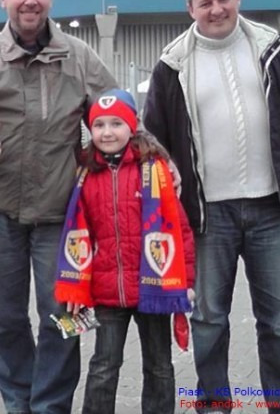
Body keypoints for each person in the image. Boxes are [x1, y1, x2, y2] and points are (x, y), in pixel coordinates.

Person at [143, 0, 280, 413]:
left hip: (270, 209)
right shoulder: (172, 64)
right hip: (206, 216)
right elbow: (153, 140)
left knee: (279, 321)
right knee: (208, 319)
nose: (216, 9)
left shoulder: (274, 48)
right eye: (205, 3)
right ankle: (214, 403)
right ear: (190, 8)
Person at [0, 0, 117, 414]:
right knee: (6, 318)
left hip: (61, 215)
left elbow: (116, 118)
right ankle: (19, 403)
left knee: (66, 315)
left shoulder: (79, 58)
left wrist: (151, 160)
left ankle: (51, 406)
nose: (30, 0)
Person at [54, 88, 195, 414]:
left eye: (116, 124)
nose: (107, 132)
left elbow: (180, 230)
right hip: (106, 292)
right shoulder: (85, 174)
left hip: (153, 287)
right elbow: (76, 234)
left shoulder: (154, 169)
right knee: (104, 366)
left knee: (159, 366)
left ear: (132, 126)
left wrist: (187, 282)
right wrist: (76, 285)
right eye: (99, 125)